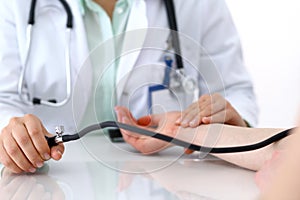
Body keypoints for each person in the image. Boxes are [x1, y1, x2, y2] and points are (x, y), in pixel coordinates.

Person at [0, 0, 257, 173]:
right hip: (52, 180)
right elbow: (3, 99)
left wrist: (234, 125)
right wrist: (14, 136)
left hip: (168, 179)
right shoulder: (15, 6)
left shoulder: (196, 4)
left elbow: (234, 89)